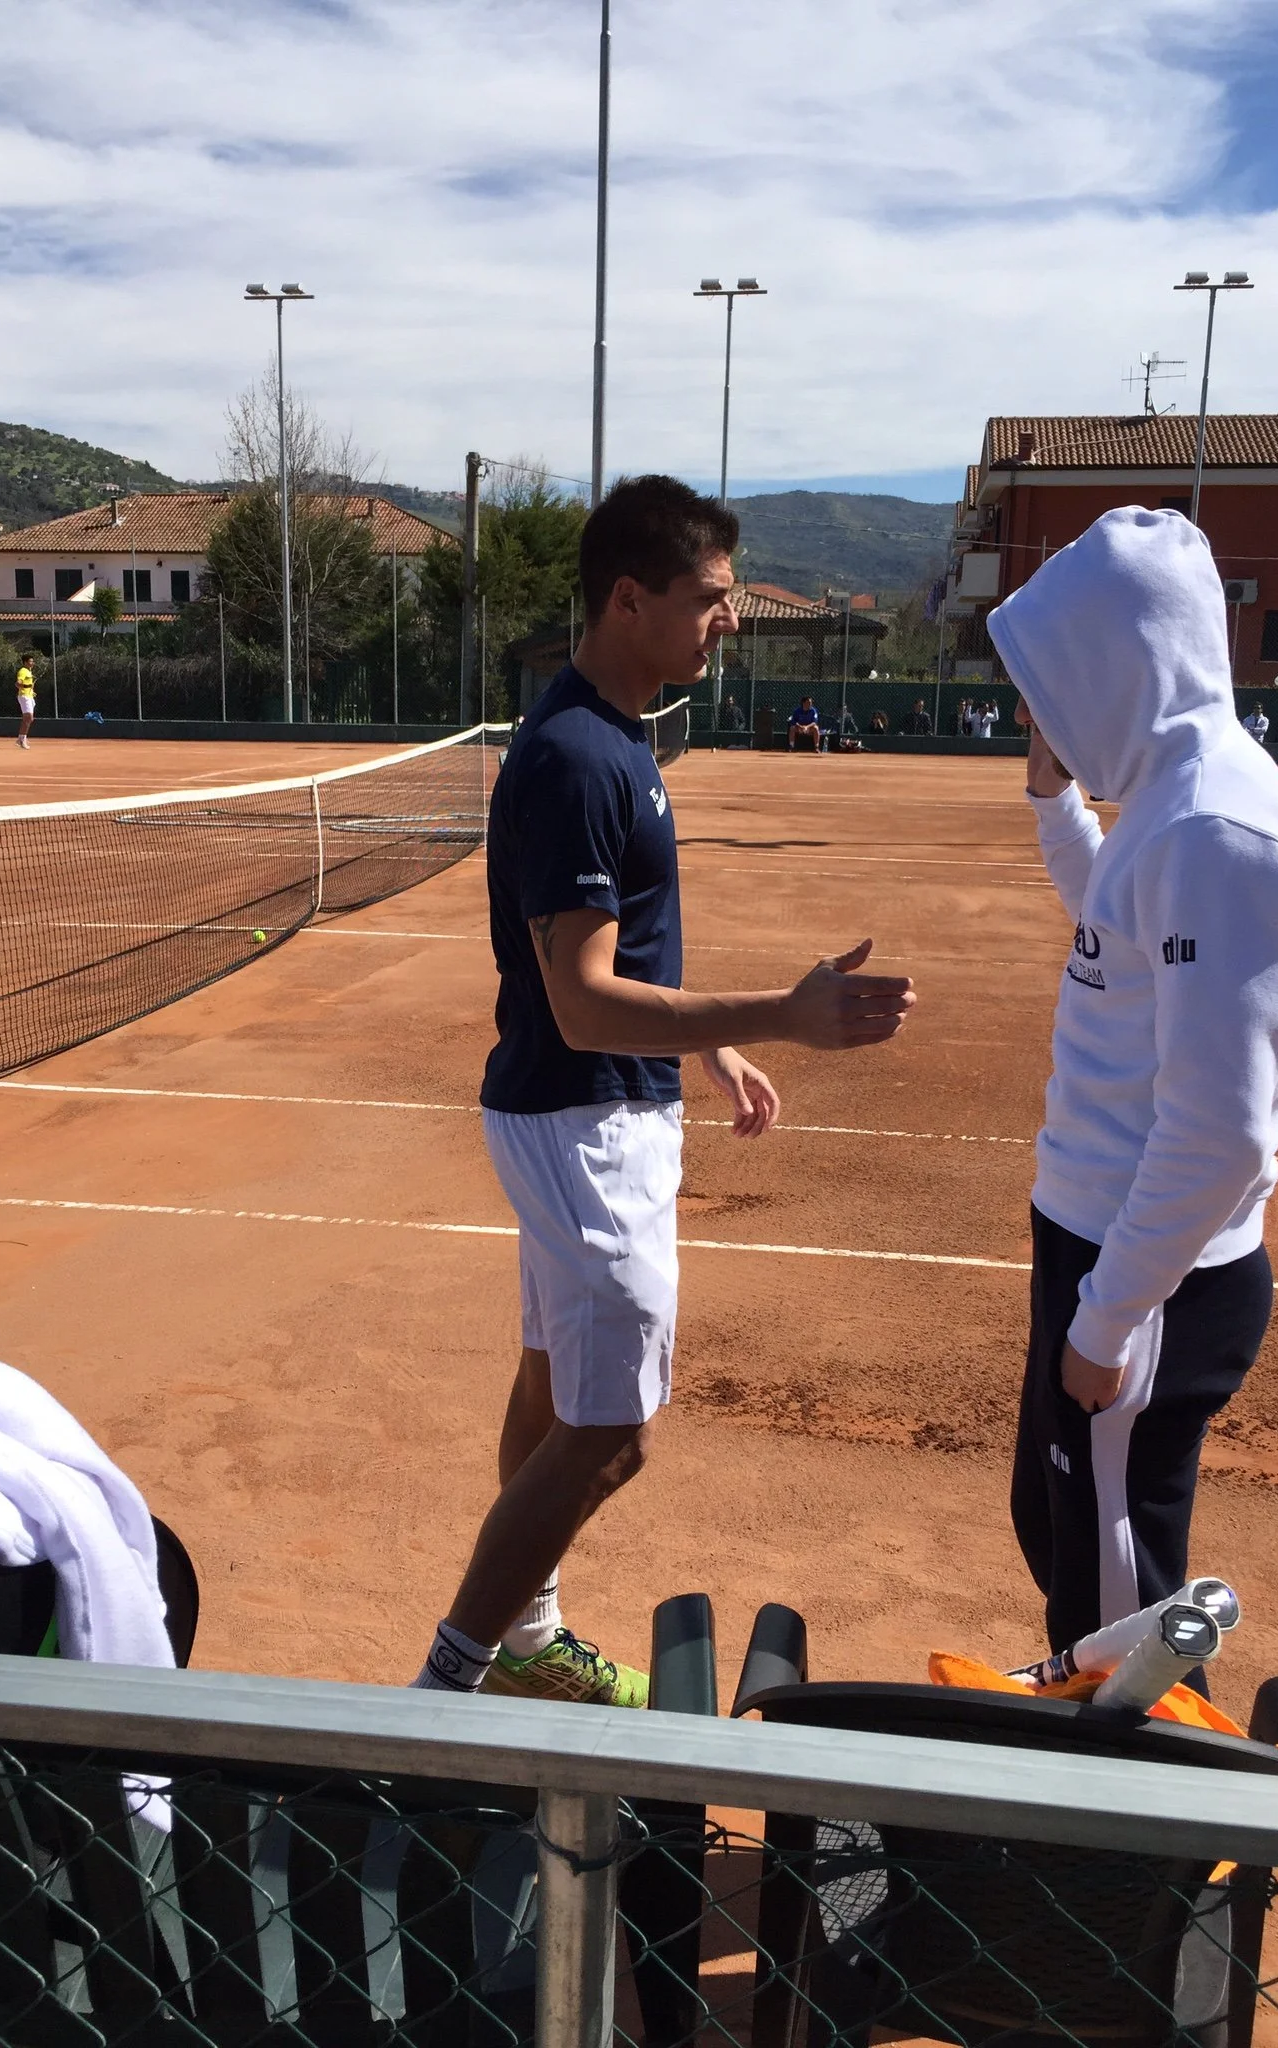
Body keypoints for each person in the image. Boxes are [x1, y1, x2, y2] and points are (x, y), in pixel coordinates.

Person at [411, 475, 916, 1704]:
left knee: (550, 1382)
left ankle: (524, 1645)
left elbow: (623, 957)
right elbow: (583, 998)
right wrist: (784, 1016)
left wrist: (704, 1042)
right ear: (628, 598)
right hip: (584, 1125)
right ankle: (446, 1692)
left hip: (586, 1106)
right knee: (612, 1429)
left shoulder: (618, 731)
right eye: (710, 598)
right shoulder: (581, 756)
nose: (727, 620)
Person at [987, 506, 1278, 1655]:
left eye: (1051, 679)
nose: (1036, 707)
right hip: (1107, 1244)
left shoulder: (1212, 829)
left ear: (1116, 667)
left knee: (1113, 1588)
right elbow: (1115, 928)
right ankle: (1096, 1752)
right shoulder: (1173, 805)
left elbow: (1220, 1132)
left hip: (1147, 1275)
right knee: (1066, 1527)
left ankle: (1121, 1823)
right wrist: (1054, 803)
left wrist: (1110, 1312)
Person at [15, 654, 37, 749]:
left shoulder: (29, 671)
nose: (32, 663)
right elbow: (18, 683)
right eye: (30, 661)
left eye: (32, 661)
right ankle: (22, 739)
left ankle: (21, 738)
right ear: (25, 663)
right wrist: (26, 687)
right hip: (24, 697)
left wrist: (32, 691)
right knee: (29, 718)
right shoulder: (23, 671)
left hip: (29, 696)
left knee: (29, 719)